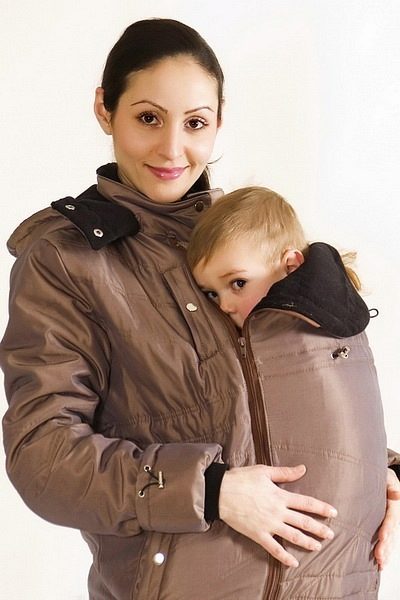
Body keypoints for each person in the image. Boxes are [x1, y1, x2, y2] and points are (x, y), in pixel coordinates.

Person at [0, 18, 399, 600]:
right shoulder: (67, 261)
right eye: (148, 118)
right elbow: (43, 456)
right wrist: (210, 490)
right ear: (104, 109)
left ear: (218, 119)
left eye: (194, 123)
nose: (172, 149)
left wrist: (379, 474)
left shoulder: (247, 238)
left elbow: (282, 399)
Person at [187, 185, 399, 596]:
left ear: (290, 265)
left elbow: (353, 425)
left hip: (341, 564)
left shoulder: (325, 335)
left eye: (237, 283)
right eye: (212, 293)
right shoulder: (317, 331)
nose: (224, 305)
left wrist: (389, 472)